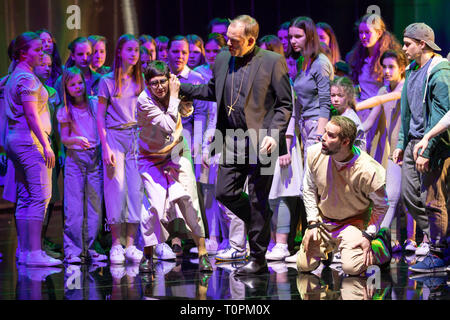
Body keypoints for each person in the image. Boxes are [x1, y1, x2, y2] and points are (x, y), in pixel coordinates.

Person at [180, 15, 292, 274]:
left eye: (234, 41)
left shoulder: (272, 62)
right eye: (227, 38)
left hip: (263, 142)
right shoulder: (222, 58)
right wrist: (181, 89)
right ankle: (260, 224)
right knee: (224, 193)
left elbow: (285, 105)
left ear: (251, 40)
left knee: (257, 197)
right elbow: (212, 90)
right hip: (230, 139)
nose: (228, 44)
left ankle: (258, 258)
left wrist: (273, 134)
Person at [136, 60, 213, 273]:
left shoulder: (174, 89)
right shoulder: (144, 100)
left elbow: (189, 110)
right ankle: (148, 254)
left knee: (189, 199)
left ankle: (202, 253)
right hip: (150, 157)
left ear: (169, 79)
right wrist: (173, 97)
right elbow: (169, 125)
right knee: (154, 206)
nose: (159, 87)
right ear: (147, 84)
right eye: (154, 83)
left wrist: (178, 95)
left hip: (177, 151)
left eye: (162, 81)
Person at [297, 116, 391, 276]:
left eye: (331, 135)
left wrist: (370, 233)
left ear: (345, 142)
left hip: (354, 223)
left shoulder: (367, 169)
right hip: (324, 221)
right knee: (304, 265)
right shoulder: (315, 153)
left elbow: (382, 204)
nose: (323, 138)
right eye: (325, 132)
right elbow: (309, 188)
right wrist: (312, 221)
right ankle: (328, 251)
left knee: (352, 268)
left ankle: (381, 246)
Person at [392, 23, 450, 273]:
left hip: (432, 144)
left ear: (422, 44)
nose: (404, 49)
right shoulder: (413, 69)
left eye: (408, 44)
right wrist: (401, 143)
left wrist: (428, 150)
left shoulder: (439, 72)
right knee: (410, 195)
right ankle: (440, 241)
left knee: (433, 200)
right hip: (414, 142)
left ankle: (439, 251)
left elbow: (441, 116)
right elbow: (408, 111)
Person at [4, 31, 60, 266]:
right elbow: (30, 114)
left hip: (17, 140)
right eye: (37, 50)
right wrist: (45, 144)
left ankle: (26, 251)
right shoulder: (26, 79)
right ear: (22, 53)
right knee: (40, 197)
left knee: (26, 197)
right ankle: (34, 252)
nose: (42, 53)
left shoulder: (16, 76)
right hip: (29, 141)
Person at [357, 49, 417, 253]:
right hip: (394, 152)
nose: (387, 71)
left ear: (402, 68)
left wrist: (356, 105)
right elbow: (370, 121)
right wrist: (350, 122)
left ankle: (411, 238)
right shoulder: (383, 91)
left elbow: (382, 100)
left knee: (410, 197)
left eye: (391, 67)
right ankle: (388, 239)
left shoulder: (405, 87)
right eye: (384, 67)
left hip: (409, 147)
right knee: (391, 195)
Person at [97, 34, 145, 265]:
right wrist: (105, 147)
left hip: (136, 137)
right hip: (115, 136)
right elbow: (99, 117)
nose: (134, 54)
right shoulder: (107, 81)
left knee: (135, 190)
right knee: (116, 188)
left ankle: (131, 243)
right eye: (129, 50)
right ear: (119, 52)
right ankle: (116, 243)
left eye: (136, 50)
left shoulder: (141, 80)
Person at [57, 66, 106, 264]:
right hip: (75, 161)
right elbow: (64, 138)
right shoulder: (65, 110)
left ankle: (92, 246)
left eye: (80, 83)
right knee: (75, 206)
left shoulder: (94, 104)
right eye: (72, 84)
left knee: (94, 205)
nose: (77, 87)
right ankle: (73, 249)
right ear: (66, 88)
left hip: (95, 159)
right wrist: (75, 139)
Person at [346, 14, 401, 148]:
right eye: (361, 33)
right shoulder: (358, 56)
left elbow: (388, 89)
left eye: (367, 32)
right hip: (362, 109)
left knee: (378, 152)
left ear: (379, 33)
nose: (363, 36)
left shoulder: (387, 59)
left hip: (380, 111)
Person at [289, 16, 334, 169]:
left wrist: (319, 136)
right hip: (305, 123)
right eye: (291, 37)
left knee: (312, 174)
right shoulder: (301, 61)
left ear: (309, 36)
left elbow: (325, 102)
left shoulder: (320, 63)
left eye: (298, 36)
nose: (293, 41)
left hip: (317, 124)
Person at [330, 76, 366, 150]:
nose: (335, 99)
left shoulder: (350, 119)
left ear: (349, 96)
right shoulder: (336, 113)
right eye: (333, 95)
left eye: (340, 95)